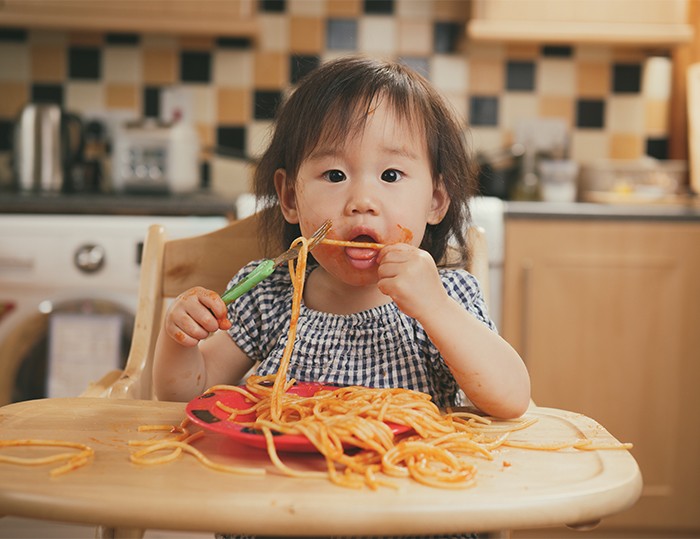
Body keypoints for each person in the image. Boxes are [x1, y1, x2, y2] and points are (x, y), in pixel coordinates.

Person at [153, 55, 530, 421]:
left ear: (435, 201)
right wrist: (180, 340)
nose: (362, 202)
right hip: (280, 478)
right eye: (334, 175)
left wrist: (434, 308)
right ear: (289, 198)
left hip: (404, 478)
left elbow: (510, 399)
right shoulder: (268, 296)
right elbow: (184, 396)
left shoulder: (448, 297)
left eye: (391, 175)